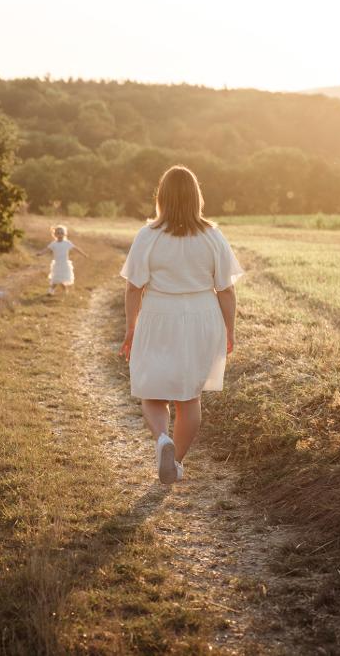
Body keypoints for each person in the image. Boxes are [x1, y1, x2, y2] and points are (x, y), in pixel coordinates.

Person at [118, 166, 244, 484]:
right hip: (203, 317)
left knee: (153, 391)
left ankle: (163, 439)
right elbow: (226, 290)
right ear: (196, 198)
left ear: (161, 197)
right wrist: (229, 330)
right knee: (190, 398)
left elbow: (134, 287)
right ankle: (175, 463)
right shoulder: (213, 236)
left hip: (160, 314)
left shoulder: (148, 235)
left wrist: (131, 328)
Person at [35, 224, 88, 295]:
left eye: (62, 233)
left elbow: (76, 249)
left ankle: (62, 291)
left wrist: (83, 254)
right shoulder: (53, 244)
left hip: (65, 264)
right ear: (55, 234)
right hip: (57, 264)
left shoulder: (67, 243)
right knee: (56, 279)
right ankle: (51, 291)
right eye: (58, 233)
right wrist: (40, 253)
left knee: (61, 279)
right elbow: (47, 249)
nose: (60, 234)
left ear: (65, 234)